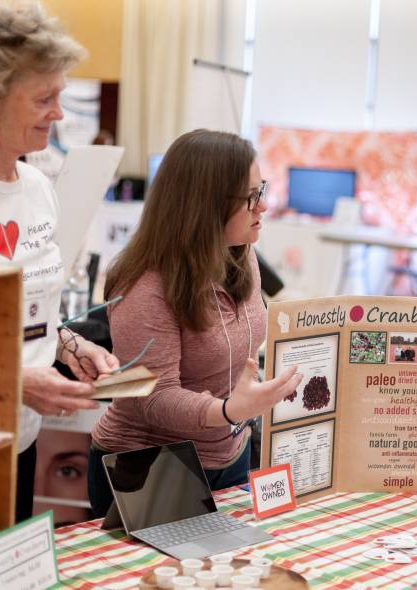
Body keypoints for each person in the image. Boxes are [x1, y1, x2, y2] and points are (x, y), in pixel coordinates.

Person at [0, 1, 119, 523]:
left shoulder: (37, 188)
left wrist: (69, 345)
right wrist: (15, 381)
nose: (59, 114)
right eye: (44, 98)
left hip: (21, 442)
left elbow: (31, 312)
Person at [87, 129, 302, 518]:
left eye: (262, 189)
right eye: (251, 196)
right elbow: (153, 397)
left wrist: (248, 402)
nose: (264, 206)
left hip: (229, 453)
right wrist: (228, 410)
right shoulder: (145, 286)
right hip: (151, 465)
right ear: (207, 205)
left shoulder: (241, 255)